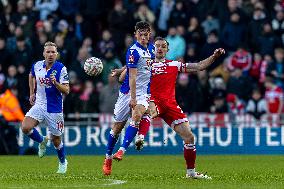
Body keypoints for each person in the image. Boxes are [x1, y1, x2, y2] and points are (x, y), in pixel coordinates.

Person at [113, 37, 225, 179]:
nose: (159, 48)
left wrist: (214, 57)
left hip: (170, 105)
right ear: (153, 49)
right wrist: (122, 70)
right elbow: (126, 74)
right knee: (147, 110)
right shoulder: (146, 64)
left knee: (189, 137)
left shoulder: (174, 64)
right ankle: (139, 138)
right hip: (152, 100)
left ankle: (191, 173)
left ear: (167, 50)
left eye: (163, 46)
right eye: (157, 46)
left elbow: (199, 66)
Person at [102, 21, 155, 176]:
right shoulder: (133, 51)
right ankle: (108, 158)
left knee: (138, 114)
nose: (144, 37)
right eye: (141, 34)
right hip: (127, 93)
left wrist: (120, 69)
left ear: (149, 34)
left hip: (144, 93)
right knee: (117, 128)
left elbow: (134, 66)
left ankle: (121, 151)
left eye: (146, 34)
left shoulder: (152, 50)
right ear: (136, 35)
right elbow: (132, 77)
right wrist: (132, 98)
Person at [21, 41, 70, 174]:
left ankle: (62, 162)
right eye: (48, 52)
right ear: (43, 53)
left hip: (55, 109)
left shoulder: (61, 68)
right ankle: (42, 141)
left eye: (53, 52)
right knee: (25, 127)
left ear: (57, 54)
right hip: (40, 105)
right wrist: (32, 92)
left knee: (56, 140)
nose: (50, 54)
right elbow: (31, 75)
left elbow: (66, 90)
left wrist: (55, 82)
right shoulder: (37, 65)